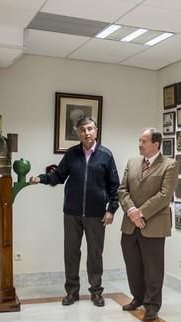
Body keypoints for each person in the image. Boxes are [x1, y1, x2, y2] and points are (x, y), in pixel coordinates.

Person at [30, 117, 119, 307]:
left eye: (89, 129)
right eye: (82, 130)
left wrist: (111, 209)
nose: (86, 133)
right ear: (78, 133)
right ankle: (72, 292)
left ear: (96, 130)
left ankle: (96, 292)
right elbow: (59, 176)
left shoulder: (106, 155)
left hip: (96, 214)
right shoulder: (71, 154)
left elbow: (114, 186)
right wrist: (42, 178)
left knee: (95, 254)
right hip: (72, 213)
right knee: (71, 253)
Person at [118, 128, 178, 322]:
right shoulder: (132, 162)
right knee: (132, 264)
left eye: (143, 141)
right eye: (139, 140)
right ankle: (138, 298)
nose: (140, 144)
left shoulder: (169, 165)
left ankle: (152, 306)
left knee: (153, 268)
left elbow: (164, 195)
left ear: (156, 144)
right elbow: (122, 190)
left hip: (153, 224)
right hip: (130, 224)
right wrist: (131, 211)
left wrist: (140, 212)